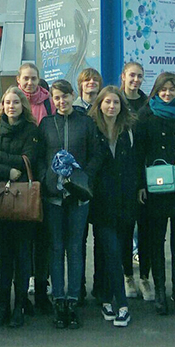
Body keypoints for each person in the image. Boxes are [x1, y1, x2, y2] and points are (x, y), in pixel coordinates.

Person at [38, 79, 103, 329]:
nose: (61, 101)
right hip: (53, 196)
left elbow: (96, 154)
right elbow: (40, 157)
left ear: (72, 95)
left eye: (65, 96)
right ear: (52, 100)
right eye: (57, 97)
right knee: (56, 248)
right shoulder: (46, 124)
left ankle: (73, 299)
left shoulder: (85, 123)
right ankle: (59, 299)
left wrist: (84, 177)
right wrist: (46, 177)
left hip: (78, 196)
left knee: (75, 248)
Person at [134, 72, 175, 316]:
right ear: (157, 90)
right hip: (155, 184)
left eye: (171, 89)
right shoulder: (146, 114)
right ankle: (160, 289)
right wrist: (140, 184)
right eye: (163, 89)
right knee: (156, 239)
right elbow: (139, 152)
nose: (167, 94)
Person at [0, 87, 40, 328]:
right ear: (1, 105)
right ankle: (2, 306)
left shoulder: (31, 130)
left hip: (23, 201)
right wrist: (7, 170)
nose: (11, 106)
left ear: (23, 105)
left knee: (23, 255)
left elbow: (30, 159)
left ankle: (20, 306)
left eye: (15, 102)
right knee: (3, 256)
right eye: (7, 102)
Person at [88, 86, 137, 327]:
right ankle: (123, 305)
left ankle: (107, 298)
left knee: (116, 251)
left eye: (116, 102)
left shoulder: (127, 131)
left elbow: (134, 166)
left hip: (125, 202)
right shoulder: (92, 131)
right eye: (107, 102)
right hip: (100, 202)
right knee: (111, 251)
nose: (111, 106)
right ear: (99, 105)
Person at [18, 62, 54, 314]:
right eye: (26, 79)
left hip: (44, 177)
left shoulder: (48, 102)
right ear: (19, 81)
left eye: (33, 78)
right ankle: (23, 287)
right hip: (21, 179)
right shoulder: (12, 102)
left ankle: (42, 284)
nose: (30, 83)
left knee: (43, 238)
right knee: (23, 240)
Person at [118, 61, 151, 301]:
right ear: (123, 76)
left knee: (146, 232)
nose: (136, 80)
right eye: (132, 75)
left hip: (146, 176)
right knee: (125, 230)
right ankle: (127, 276)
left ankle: (145, 278)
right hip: (123, 177)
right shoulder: (115, 101)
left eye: (139, 76)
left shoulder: (148, 104)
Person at [74, 66, 103, 302]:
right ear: (80, 85)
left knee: (101, 238)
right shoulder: (72, 109)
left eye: (95, 80)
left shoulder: (106, 106)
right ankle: (79, 284)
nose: (91, 83)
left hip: (101, 181)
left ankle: (100, 285)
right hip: (78, 183)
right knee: (79, 239)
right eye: (87, 80)